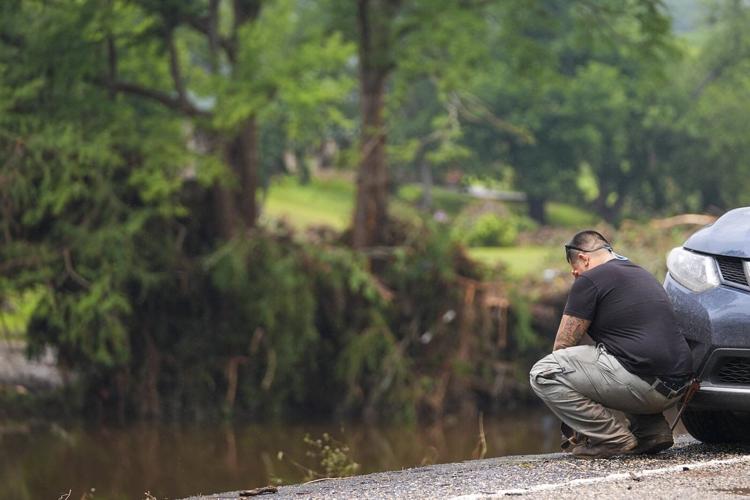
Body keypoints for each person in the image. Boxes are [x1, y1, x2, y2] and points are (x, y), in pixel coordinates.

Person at [529, 230, 693, 459]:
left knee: (545, 372)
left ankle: (611, 438)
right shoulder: (640, 274)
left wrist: (575, 419)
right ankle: (651, 432)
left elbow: (562, 347)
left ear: (585, 258)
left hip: (644, 387)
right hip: (677, 386)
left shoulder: (589, 279)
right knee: (618, 352)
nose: (574, 273)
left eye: (574, 267)